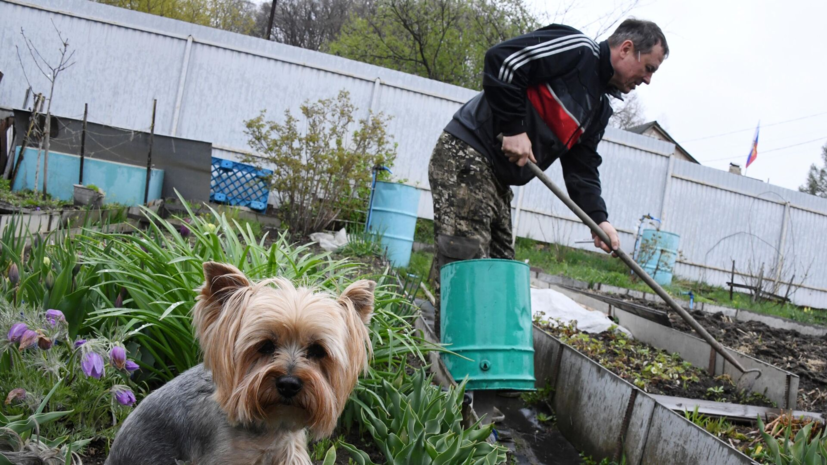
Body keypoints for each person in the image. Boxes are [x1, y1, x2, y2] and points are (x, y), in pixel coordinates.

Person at [428, 18, 668, 337]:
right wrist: (514, 128)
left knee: (502, 274)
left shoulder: (597, 109)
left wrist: (599, 218)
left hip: (496, 179)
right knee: (468, 269)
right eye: (649, 68)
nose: (648, 80)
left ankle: (487, 358)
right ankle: (452, 360)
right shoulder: (577, 51)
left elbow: (582, 168)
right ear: (626, 49)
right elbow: (503, 60)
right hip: (468, 154)